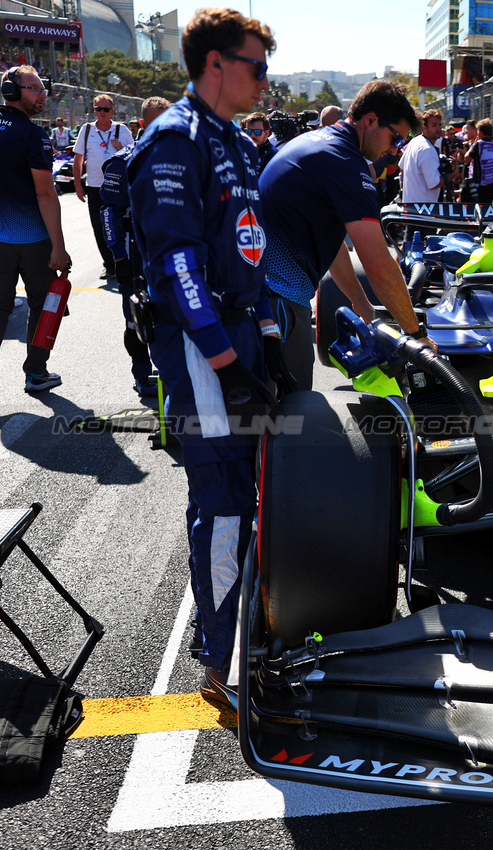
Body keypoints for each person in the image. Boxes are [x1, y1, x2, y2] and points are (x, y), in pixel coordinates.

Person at [127, 7, 291, 707]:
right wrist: (228, 365)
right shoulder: (174, 142)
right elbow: (180, 270)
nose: (264, 79)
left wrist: (271, 343)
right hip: (200, 346)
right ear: (216, 63)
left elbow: (249, 252)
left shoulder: (239, 143)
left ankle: (247, 628)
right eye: (256, 66)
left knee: (254, 493)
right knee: (223, 502)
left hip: (243, 336)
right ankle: (221, 666)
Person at [259, 79, 432, 391]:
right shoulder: (345, 163)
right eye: (395, 138)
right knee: (290, 417)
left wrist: (361, 303)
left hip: (268, 295)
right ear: (369, 121)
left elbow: (331, 241)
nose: (394, 150)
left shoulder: (322, 143)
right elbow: (378, 263)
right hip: (276, 299)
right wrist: (417, 337)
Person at [0, 65, 72, 410]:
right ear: (12, 91)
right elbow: (46, 195)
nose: (43, 94)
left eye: (43, 88)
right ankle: (35, 373)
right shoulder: (34, 135)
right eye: (34, 89)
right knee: (42, 303)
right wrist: (59, 247)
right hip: (34, 241)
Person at [100, 95, 171, 398]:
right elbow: (109, 212)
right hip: (138, 256)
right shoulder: (124, 161)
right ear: (143, 123)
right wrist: (119, 257)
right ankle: (142, 375)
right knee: (136, 319)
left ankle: (173, 374)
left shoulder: (185, 157)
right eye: (156, 122)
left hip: (175, 255)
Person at [73, 94, 133, 281]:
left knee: (120, 225)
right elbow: (78, 159)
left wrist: (120, 146)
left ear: (112, 111)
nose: (101, 112)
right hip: (95, 187)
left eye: (106, 109)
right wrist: (78, 185)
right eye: (98, 108)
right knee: (99, 227)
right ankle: (109, 265)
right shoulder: (87, 129)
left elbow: (133, 155)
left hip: (118, 188)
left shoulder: (121, 129)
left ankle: (123, 260)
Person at [399, 108, 442, 202]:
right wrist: (452, 174)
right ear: (424, 128)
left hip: (411, 206)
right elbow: (434, 184)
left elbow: (401, 166)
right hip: (424, 210)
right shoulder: (427, 149)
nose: (439, 129)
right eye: (434, 125)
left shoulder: (414, 141)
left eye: (440, 125)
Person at [468, 118, 493, 204]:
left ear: (481, 132)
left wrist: (473, 145)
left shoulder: (480, 144)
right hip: (492, 185)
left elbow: (466, 158)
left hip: (479, 185)